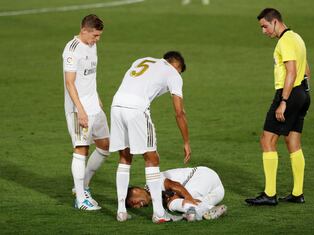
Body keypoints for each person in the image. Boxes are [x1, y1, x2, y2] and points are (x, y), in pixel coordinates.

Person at [109, 51, 191, 223]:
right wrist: (186, 141)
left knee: (125, 157)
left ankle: (121, 211)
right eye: (179, 71)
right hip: (136, 110)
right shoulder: (173, 73)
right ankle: (159, 214)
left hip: (116, 105)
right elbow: (179, 112)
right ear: (177, 66)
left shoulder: (142, 60)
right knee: (152, 159)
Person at [245, 8, 311, 206]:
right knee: (293, 142)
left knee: (267, 140)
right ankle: (297, 193)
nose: (263, 31)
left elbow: (291, 71)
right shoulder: (297, 38)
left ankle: (270, 194)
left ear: (275, 22)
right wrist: (303, 95)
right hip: (303, 93)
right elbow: (306, 69)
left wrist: (284, 101)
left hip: (288, 94)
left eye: (265, 26)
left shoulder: (286, 41)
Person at [62, 14, 110, 211]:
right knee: (81, 149)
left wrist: (96, 96)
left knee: (105, 146)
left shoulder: (92, 45)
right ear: (84, 30)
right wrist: (80, 110)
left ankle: (83, 186)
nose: (97, 39)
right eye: (95, 35)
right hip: (78, 109)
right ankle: (81, 199)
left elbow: (90, 74)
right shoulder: (72, 51)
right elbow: (70, 82)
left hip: (94, 106)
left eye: (99, 36)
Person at [126, 166, 227, 221]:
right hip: (218, 190)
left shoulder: (151, 183)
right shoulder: (156, 198)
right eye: (133, 207)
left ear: (136, 191)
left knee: (172, 202)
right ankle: (210, 208)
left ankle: (201, 211)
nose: (136, 206)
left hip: (202, 176)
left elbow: (174, 185)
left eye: (133, 202)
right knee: (193, 202)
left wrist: (188, 197)